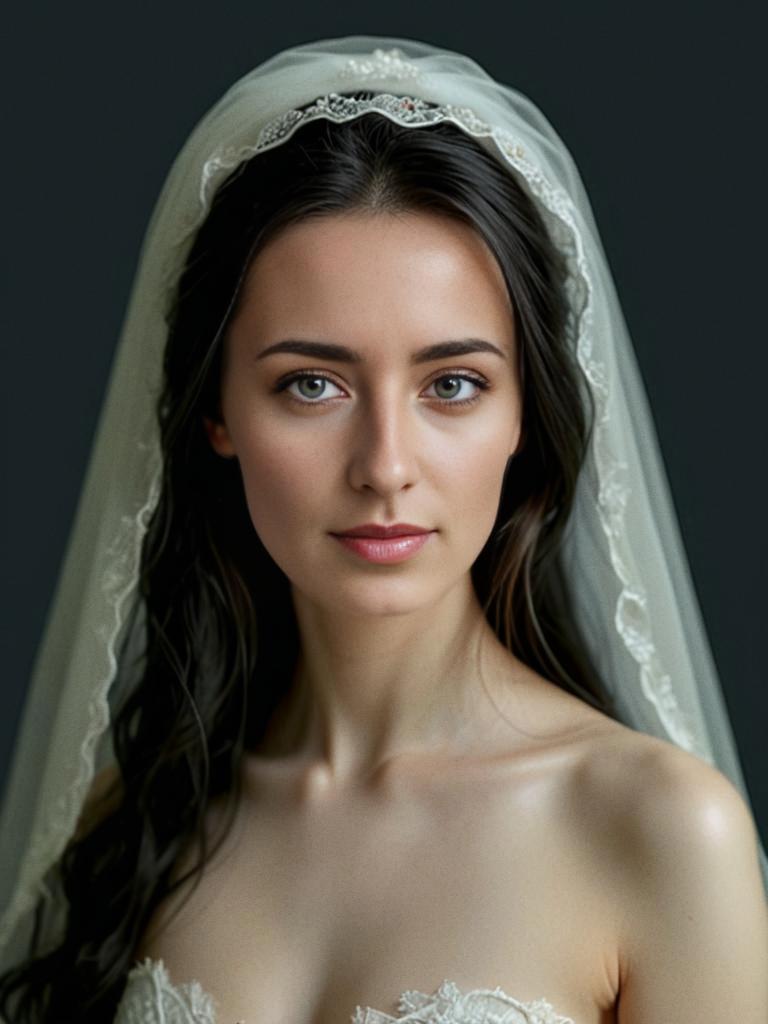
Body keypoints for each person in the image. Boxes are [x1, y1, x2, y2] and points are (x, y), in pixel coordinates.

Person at [0, 34, 766, 1024]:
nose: (386, 465)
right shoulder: (136, 821)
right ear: (216, 413)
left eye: (453, 384)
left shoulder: (656, 829)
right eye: (310, 384)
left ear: (524, 415)